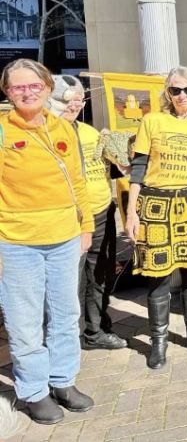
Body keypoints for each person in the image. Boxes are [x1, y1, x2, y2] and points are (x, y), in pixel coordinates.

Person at [0, 59, 95, 424]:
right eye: (18, 87)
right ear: (8, 92)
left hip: (64, 237)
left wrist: (85, 226)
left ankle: (63, 380)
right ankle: (34, 390)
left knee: (65, 314)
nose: (27, 92)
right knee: (25, 320)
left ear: (46, 87)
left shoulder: (63, 128)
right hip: (16, 241)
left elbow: (78, 181)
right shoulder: (4, 130)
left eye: (33, 85)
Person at [125, 66, 187, 370]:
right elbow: (138, 168)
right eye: (175, 90)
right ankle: (159, 341)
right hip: (156, 203)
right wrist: (130, 212)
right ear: (167, 93)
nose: (181, 96)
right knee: (158, 272)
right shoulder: (152, 121)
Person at [47, 75, 128, 351]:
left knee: (100, 275)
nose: (75, 106)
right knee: (69, 284)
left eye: (80, 100)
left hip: (102, 215)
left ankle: (95, 332)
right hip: (68, 221)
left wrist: (120, 153)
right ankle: (65, 341)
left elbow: (116, 168)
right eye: (68, 100)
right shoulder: (45, 135)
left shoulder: (92, 133)